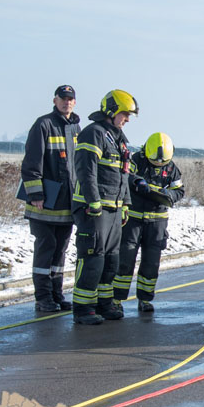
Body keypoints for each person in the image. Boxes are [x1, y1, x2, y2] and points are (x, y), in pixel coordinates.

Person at [71, 90, 136, 325]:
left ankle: (104, 303)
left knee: (111, 259)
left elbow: (124, 174)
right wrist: (93, 200)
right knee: (92, 256)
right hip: (94, 209)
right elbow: (86, 170)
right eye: (124, 114)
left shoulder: (118, 138)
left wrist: (126, 203)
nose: (127, 119)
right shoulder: (93, 134)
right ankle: (83, 308)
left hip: (115, 208)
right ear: (111, 111)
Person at [20, 85, 81, 312]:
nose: (67, 102)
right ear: (54, 101)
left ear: (75, 102)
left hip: (67, 203)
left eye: (70, 99)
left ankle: (57, 294)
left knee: (60, 251)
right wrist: (35, 194)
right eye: (62, 98)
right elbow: (31, 163)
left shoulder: (76, 128)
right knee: (46, 247)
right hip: (44, 203)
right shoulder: (43, 124)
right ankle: (42, 297)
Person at [112, 132, 184, 313]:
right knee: (125, 260)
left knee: (151, 263)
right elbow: (125, 176)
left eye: (162, 163)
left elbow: (179, 190)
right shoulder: (136, 161)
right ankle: (116, 299)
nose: (159, 165)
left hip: (157, 223)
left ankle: (145, 299)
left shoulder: (172, 168)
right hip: (133, 220)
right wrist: (137, 181)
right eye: (155, 162)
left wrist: (168, 195)